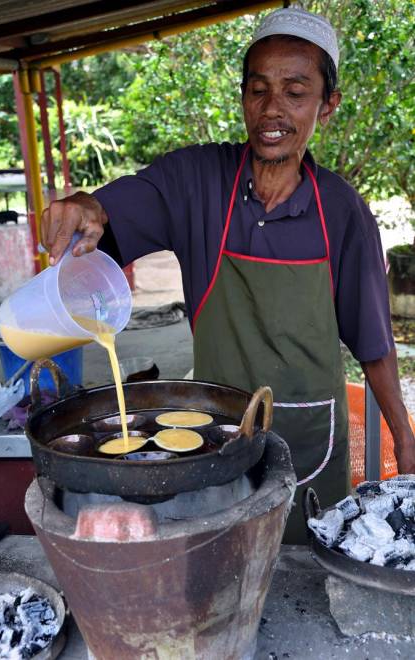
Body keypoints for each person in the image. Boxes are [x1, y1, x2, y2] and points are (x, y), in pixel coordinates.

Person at [41, 6, 415, 543]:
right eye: (258, 89)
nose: (273, 109)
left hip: (311, 443)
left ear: (327, 105)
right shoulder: (197, 182)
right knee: (222, 564)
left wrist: (404, 435)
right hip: (215, 443)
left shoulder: (342, 210)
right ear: (242, 96)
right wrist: (83, 208)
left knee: (310, 573)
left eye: (295, 91)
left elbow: (374, 341)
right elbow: (112, 208)